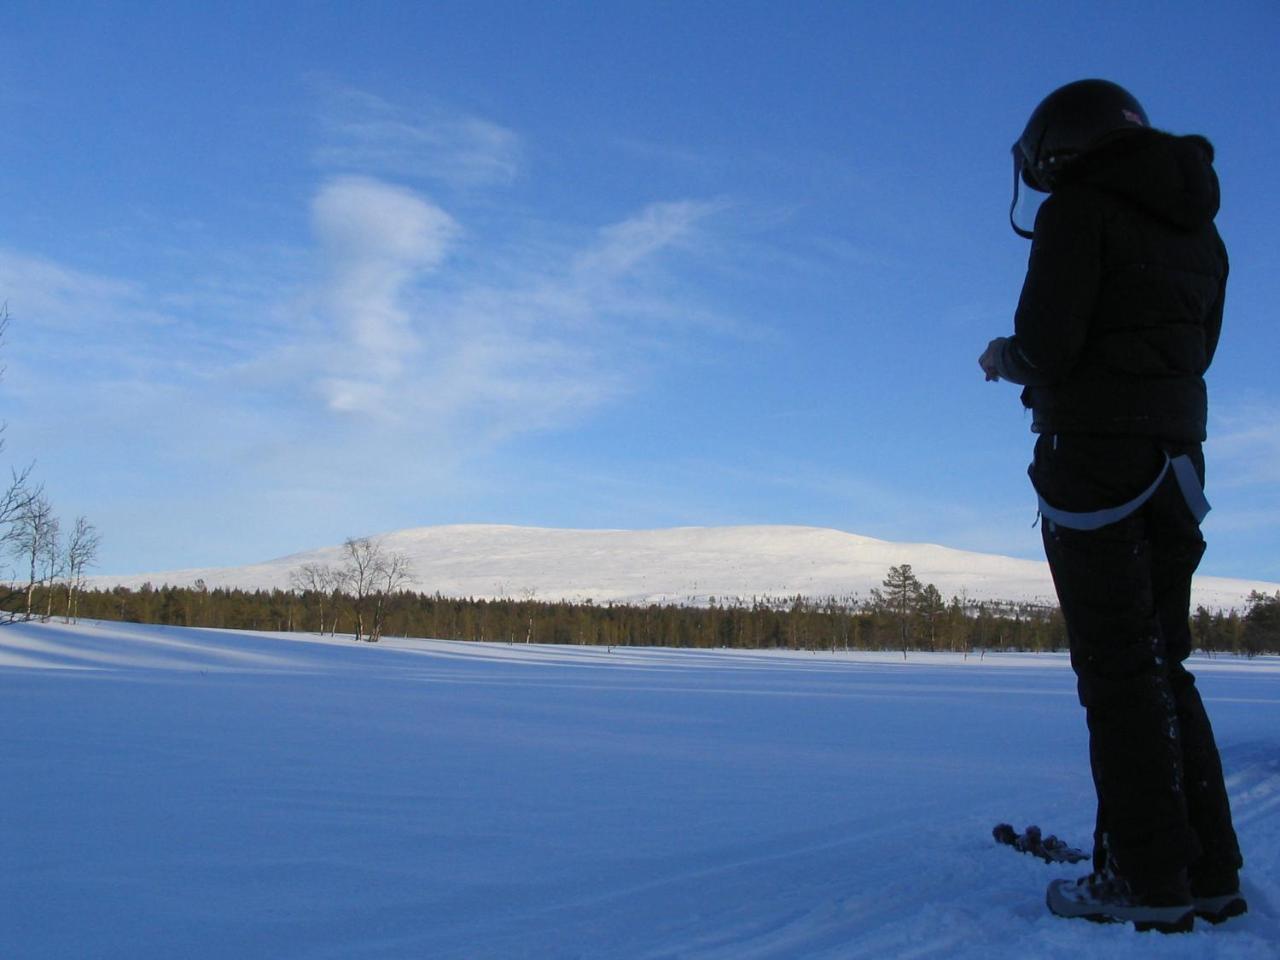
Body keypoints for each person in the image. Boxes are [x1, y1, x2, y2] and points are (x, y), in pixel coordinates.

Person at [979, 79, 1245, 933]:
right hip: (1178, 467)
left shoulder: (1078, 213)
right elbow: (1195, 351)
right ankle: (1209, 872)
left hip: (1095, 466)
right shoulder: (1200, 230)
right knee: (1167, 664)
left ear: (1065, 144)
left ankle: (1147, 879)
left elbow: (1050, 346)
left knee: (1119, 675)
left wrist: (1003, 358)